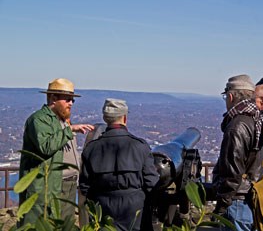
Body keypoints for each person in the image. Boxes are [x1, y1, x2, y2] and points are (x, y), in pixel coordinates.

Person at [19, 78, 95, 225]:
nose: (71, 103)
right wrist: (69, 130)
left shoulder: (62, 120)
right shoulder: (39, 120)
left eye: (73, 100)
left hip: (68, 185)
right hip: (47, 187)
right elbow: (46, 146)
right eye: (67, 99)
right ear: (53, 98)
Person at [79, 98, 159, 231]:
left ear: (105, 118)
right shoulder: (140, 146)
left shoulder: (91, 149)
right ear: (125, 118)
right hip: (135, 209)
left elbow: (85, 186)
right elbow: (151, 182)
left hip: (102, 208)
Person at [212, 74, 263, 231]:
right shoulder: (257, 119)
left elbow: (232, 172)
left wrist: (221, 206)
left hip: (237, 201)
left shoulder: (237, 126)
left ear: (231, 96)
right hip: (251, 196)